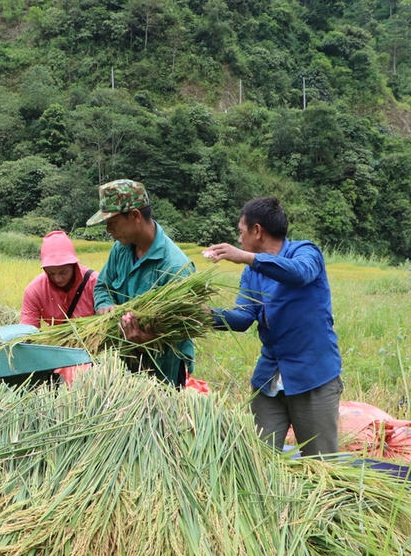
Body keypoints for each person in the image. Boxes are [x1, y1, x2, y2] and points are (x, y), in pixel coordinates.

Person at [203, 196, 342, 457]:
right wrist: (205, 315)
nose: (239, 239)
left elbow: (299, 273)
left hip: (312, 376)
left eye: (241, 232)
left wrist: (246, 257)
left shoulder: (306, 253)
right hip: (269, 378)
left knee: (321, 465)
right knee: (259, 461)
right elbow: (244, 317)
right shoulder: (251, 273)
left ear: (257, 231)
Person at [86, 179, 194, 387]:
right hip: (120, 366)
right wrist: (104, 305)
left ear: (135, 216)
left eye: (113, 222)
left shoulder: (175, 268)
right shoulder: (121, 249)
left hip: (162, 375)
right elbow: (103, 286)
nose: (109, 230)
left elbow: (182, 331)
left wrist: (146, 340)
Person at [20, 230, 98, 327]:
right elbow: (27, 330)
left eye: (63, 272)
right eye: (51, 273)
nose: (57, 279)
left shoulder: (96, 283)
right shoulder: (35, 291)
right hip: (56, 342)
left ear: (74, 266)